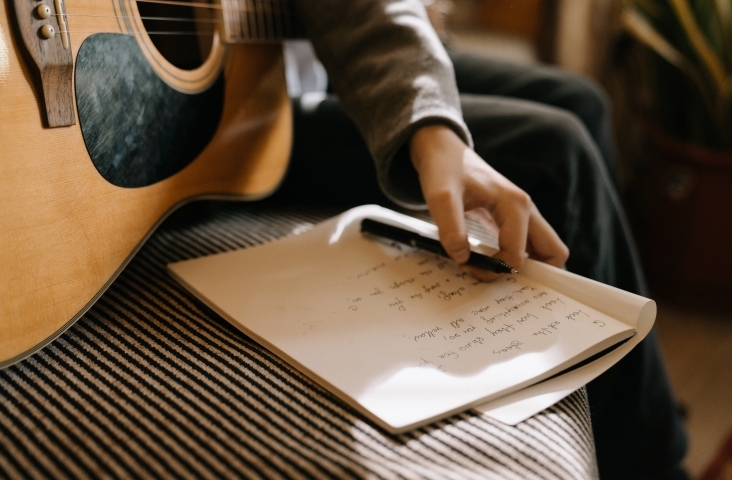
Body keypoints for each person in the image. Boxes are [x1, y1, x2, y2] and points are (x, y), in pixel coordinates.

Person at [269, 0, 689, 477]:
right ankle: (653, 465)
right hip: (257, 109)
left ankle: (637, 419)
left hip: (312, 51)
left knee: (583, 101)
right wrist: (431, 131)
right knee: (558, 149)